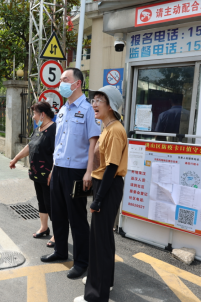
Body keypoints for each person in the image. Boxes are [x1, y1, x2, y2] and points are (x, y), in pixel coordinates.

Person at [40, 68, 101, 280]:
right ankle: (60, 252)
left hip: (77, 171)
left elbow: (94, 142)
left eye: (65, 80)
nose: (61, 83)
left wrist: (88, 172)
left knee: (76, 217)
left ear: (77, 83)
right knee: (57, 212)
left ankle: (82, 261)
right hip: (59, 170)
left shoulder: (87, 110)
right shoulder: (64, 110)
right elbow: (59, 143)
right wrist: (53, 169)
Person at [74, 86, 128, 302]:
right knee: (103, 239)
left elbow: (112, 168)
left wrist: (98, 199)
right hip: (104, 185)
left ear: (111, 106)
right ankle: (104, 279)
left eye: (99, 100)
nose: (94, 104)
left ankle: (97, 294)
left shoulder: (115, 130)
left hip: (108, 186)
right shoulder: (107, 127)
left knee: (100, 241)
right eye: (93, 99)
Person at [9, 101, 56, 247]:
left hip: (48, 175)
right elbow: (30, 146)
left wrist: (53, 172)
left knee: (51, 204)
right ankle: (44, 227)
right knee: (41, 201)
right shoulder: (38, 129)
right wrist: (16, 158)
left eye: (34, 113)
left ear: (42, 114)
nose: (32, 116)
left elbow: (58, 152)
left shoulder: (54, 129)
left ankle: (57, 234)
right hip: (37, 174)